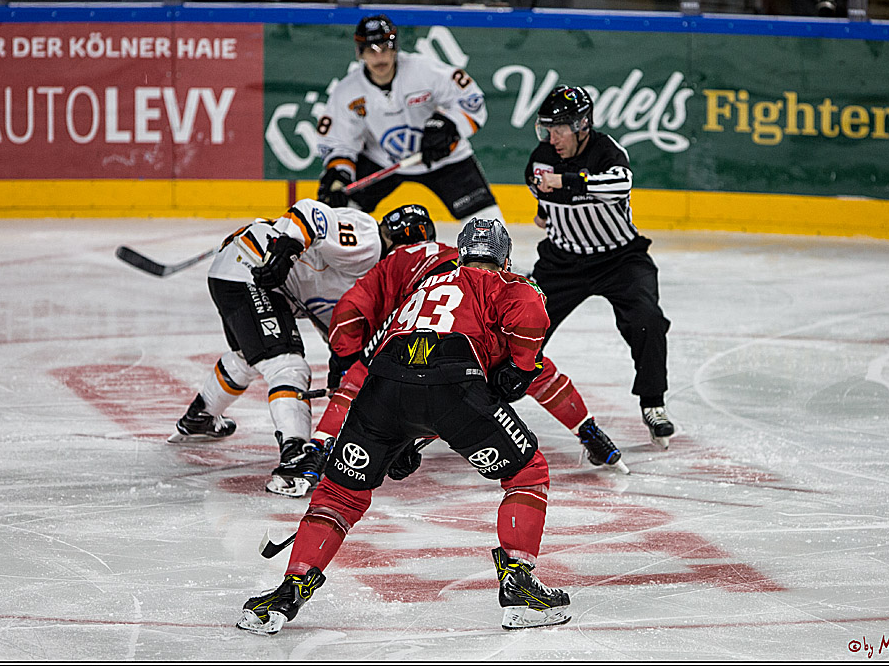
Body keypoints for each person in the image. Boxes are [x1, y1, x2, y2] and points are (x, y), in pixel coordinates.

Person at [237, 218, 571, 635]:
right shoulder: (504, 283)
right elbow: (527, 311)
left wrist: (407, 436)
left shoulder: (424, 288)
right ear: (504, 259)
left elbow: (415, 367)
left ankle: (288, 591)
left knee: (339, 494)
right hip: (453, 381)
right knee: (526, 473)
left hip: (383, 384)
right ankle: (520, 585)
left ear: (462, 253)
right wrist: (523, 364)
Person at [317, 203, 629, 474]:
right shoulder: (453, 252)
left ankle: (315, 453)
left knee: (364, 381)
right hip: (480, 313)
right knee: (533, 370)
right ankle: (592, 434)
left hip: (424, 330)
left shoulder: (390, 264)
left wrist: (344, 360)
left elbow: (350, 309)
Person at [170, 198, 383, 498]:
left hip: (246, 279)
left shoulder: (371, 297)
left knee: (252, 357)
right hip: (250, 267)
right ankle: (295, 457)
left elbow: (343, 345)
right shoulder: (370, 245)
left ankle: (201, 416)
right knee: (287, 365)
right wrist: (286, 250)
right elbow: (311, 211)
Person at [526, 85, 675, 449]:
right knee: (520, 325)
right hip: (562, 262)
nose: (552, 137)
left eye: (560, 128)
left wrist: (568, 183)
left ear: (583, 125)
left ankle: (653, 402)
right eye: (548, 128)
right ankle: (491, 396)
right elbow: (542, 201)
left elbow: (620, 184)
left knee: (647, 321)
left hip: (620, 259)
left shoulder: (607, 152)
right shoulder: (541, 158)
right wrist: (549, 207)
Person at [315, 14, 504, 223]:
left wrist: (449, 126)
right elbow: (338, 141)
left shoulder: (423, 69)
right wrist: (338, 175)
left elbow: (470, 98)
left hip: (443, 158)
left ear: (395, 47)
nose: (380, 58)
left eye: (385, 48)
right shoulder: (347, 91)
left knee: (488, 227)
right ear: (360, 53)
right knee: (337, 211)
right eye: (371, 50)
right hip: (383, 160)